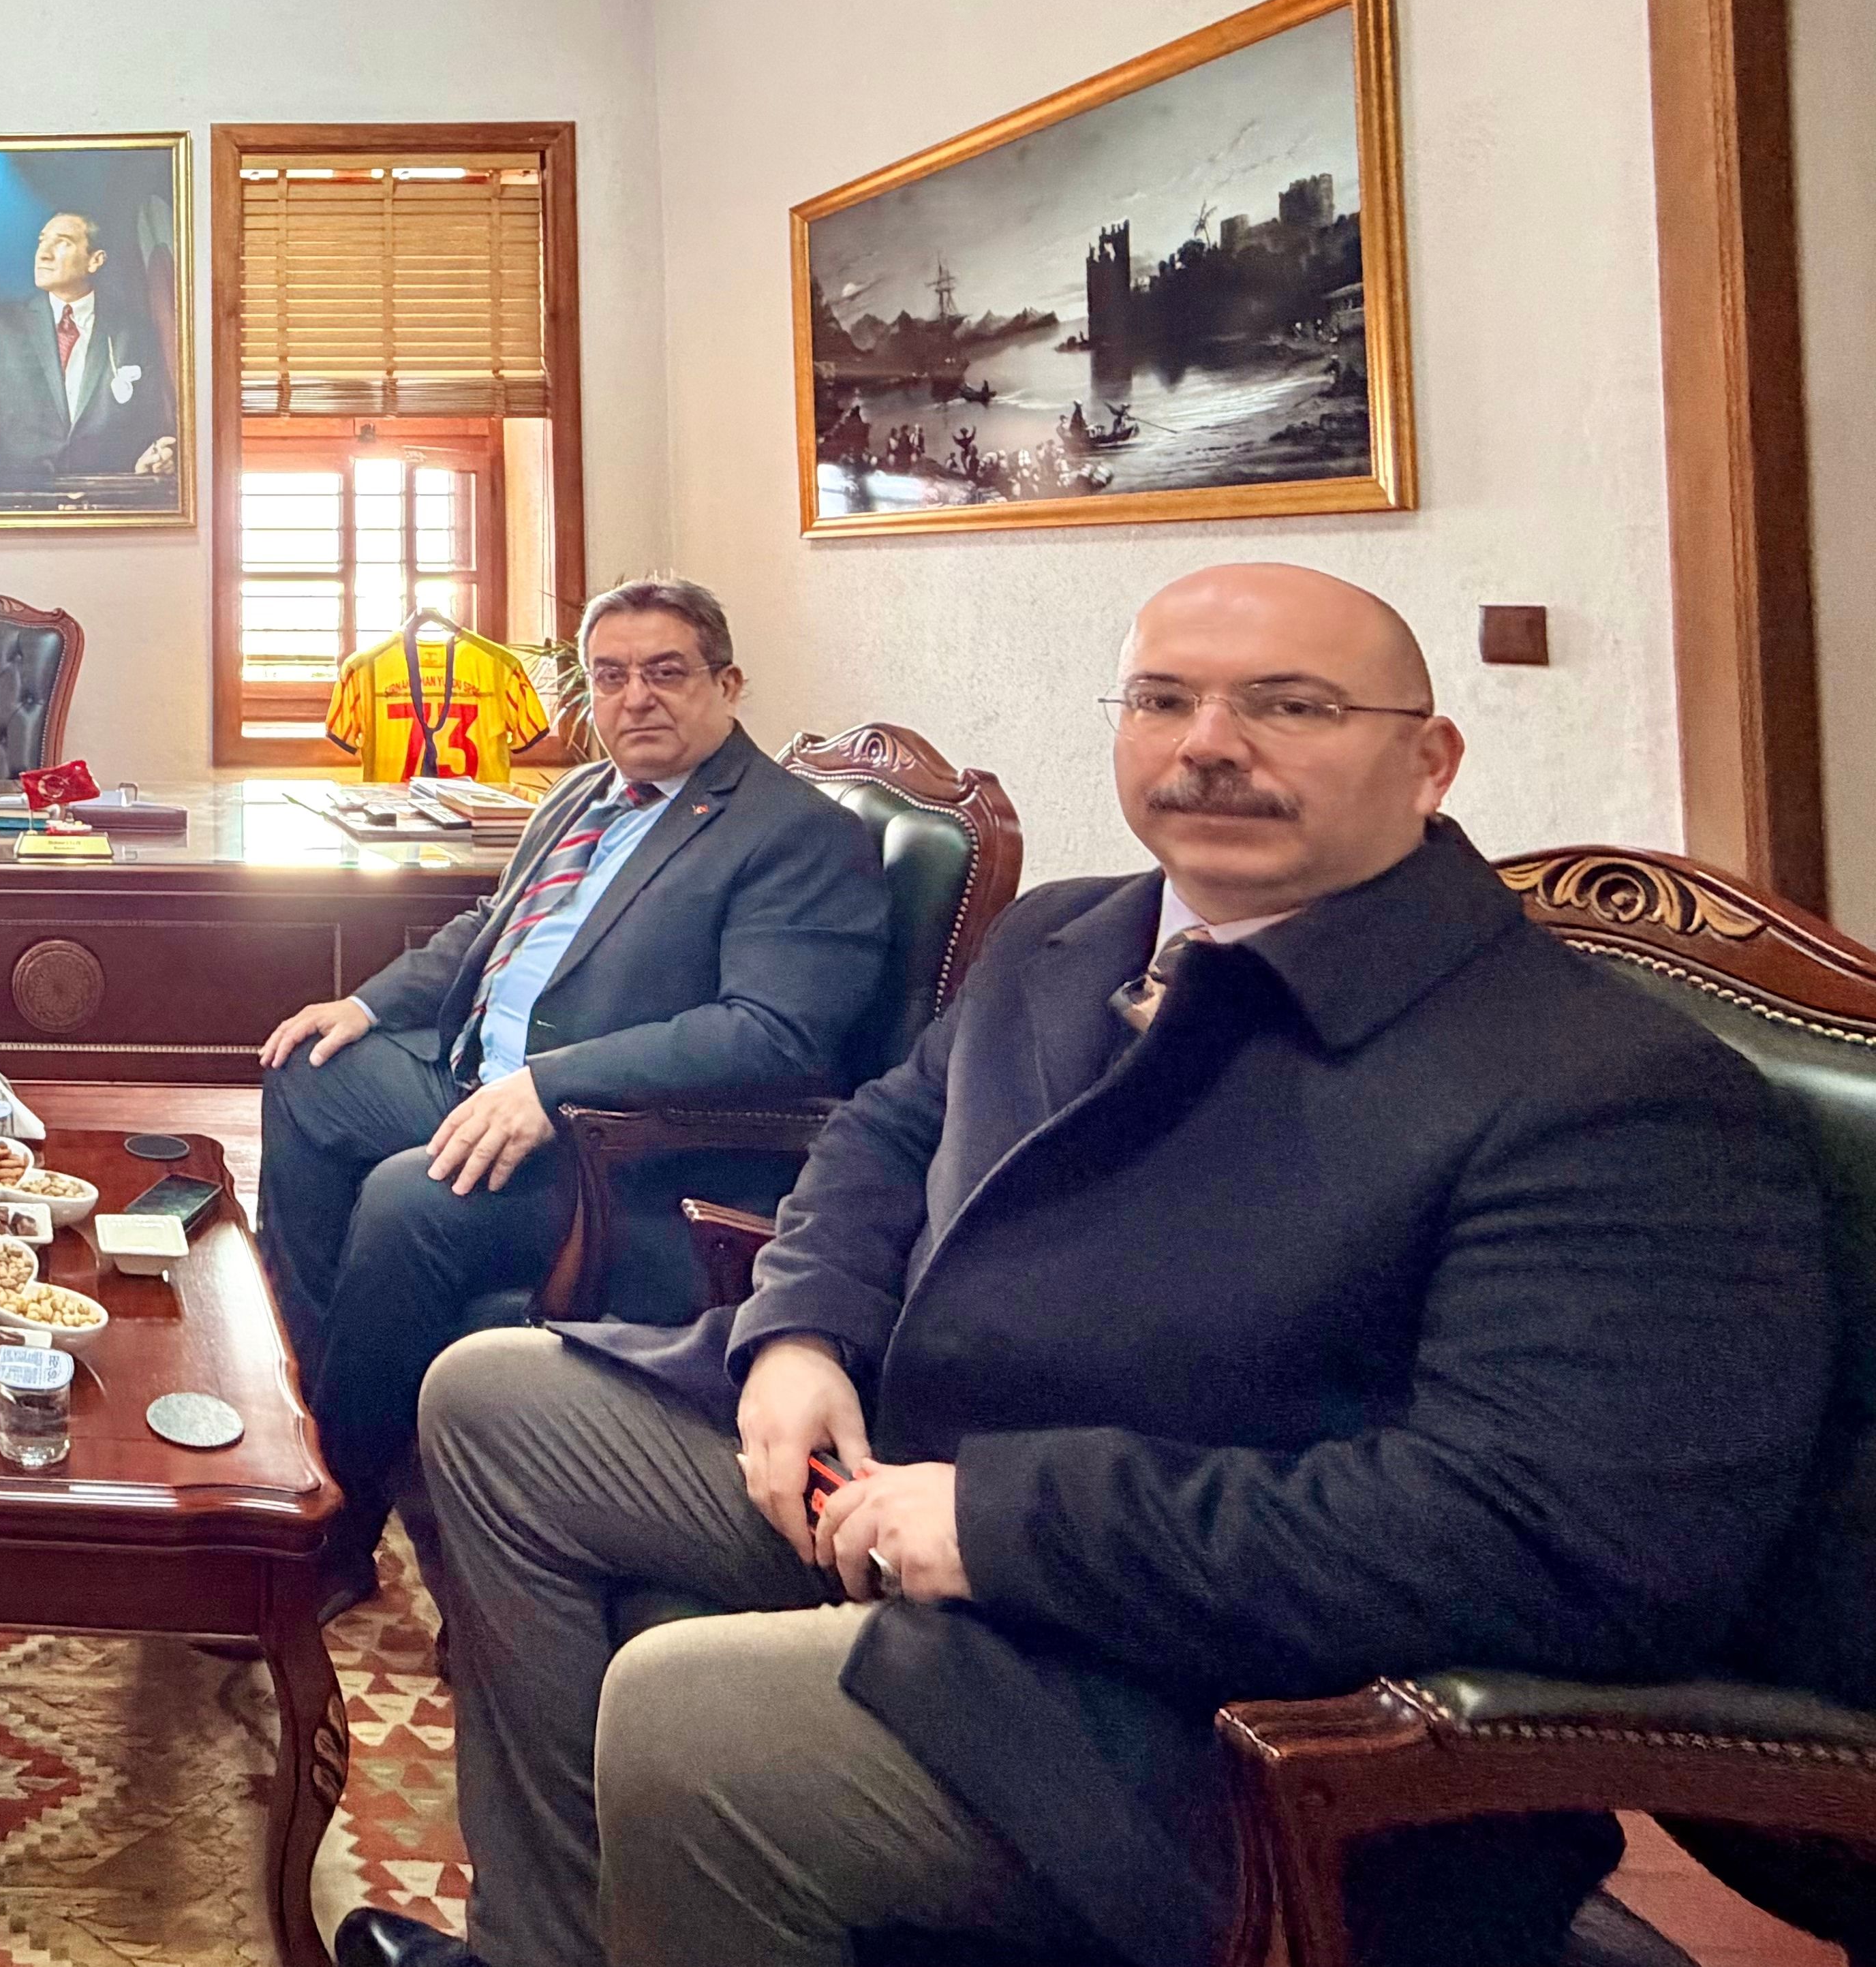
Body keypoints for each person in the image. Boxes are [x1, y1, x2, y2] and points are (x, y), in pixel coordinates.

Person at [348, 563, 1834, 1967]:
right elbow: (881, 1133)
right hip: (909, 1472)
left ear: (1427, 760)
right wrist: (798, 1332)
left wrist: (1001, 1522)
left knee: (690, 1714)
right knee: (493, 1400)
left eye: (1291, 704)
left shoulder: (1599, 1083)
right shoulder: (1067, 932)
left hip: (1187, 1678)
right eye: (1163, 699)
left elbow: (1553, 1545)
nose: (1211, 743)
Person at [254, 574, 891, 1617]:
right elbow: (491, 926)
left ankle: (339, 1528)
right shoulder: (584, 793)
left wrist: (553, 1087)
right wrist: (366, 1005)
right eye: (610, 677)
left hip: (614, 1148)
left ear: (728, 684)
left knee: (407, 1200)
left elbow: (774, 1032)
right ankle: (322, 1415)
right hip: (477, 1079)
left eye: (666, 673)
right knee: (308, 1073)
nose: (636, 698)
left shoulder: (795, 833)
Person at [0, 207, 179, 506]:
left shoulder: (133, 333)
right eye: (42, 242)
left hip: (108, 505)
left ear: (95, 260)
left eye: (63, 242)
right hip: (16, 505)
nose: (44, 254)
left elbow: (152, 424)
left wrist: (152, 457)